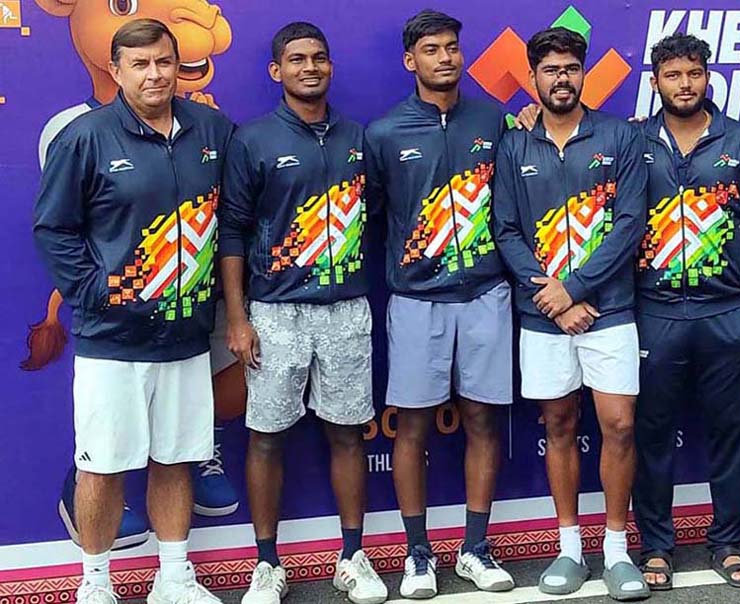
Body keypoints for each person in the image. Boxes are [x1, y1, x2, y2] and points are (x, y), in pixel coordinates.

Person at [32, 18, 234, 604]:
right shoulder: (86, 137)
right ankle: (95, 584)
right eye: (140, 64)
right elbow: (53, 228)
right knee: (102, 465)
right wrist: (95, 292)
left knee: (176, 459)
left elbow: (236, 216)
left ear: (177, 66)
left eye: (163, 62)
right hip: (112, 342)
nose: (154, 75)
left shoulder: (212, 130)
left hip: (187, 336)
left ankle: (173, 577)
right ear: (116, 70)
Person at [218, 22, 386, 604]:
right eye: (296, 59)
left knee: (348, 434)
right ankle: (267, 565)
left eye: (318, 58)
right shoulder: (253, 140)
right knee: (265, 438)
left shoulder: (359, 137)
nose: (309, 67)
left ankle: (353, 557)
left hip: (346, 311)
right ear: (277, 71)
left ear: (330, 66)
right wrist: (237, 317)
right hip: (275, 313)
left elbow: (378, 213)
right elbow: (232, 232)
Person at [492, 26, 650, 601]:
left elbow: (630, 224)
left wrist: (577, 289)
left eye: (571, 69)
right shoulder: (515, 144)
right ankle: (569, 548)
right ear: (533, 78)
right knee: (558, 426)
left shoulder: (619, 137)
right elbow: (505, 230)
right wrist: (552, 299)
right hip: (543, 316)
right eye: (551, 70)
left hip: (609, 310)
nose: (562, 79)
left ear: (583, 74)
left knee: (620, 426)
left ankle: (616, 550)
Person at [363, 10, 515, 600]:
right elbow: (373, 217)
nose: (445, 58)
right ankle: (417, 554)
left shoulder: (494, 120)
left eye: (452, 47)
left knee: (482, 420)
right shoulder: (383, 133)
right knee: (413, 427)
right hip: (416, 298)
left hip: (486, 293)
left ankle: (475, 548)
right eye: (431, 49)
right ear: (411, 61)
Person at [630, 33, 740, 592]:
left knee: (731, 433)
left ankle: (728, 542)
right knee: (651, 435)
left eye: (693, 73)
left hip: (730, 312)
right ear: (656, 83)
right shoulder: (633, 139)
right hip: (656, 312)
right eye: (673, 75)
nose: (684, 84)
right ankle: (656, 546)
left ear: (708, 77)